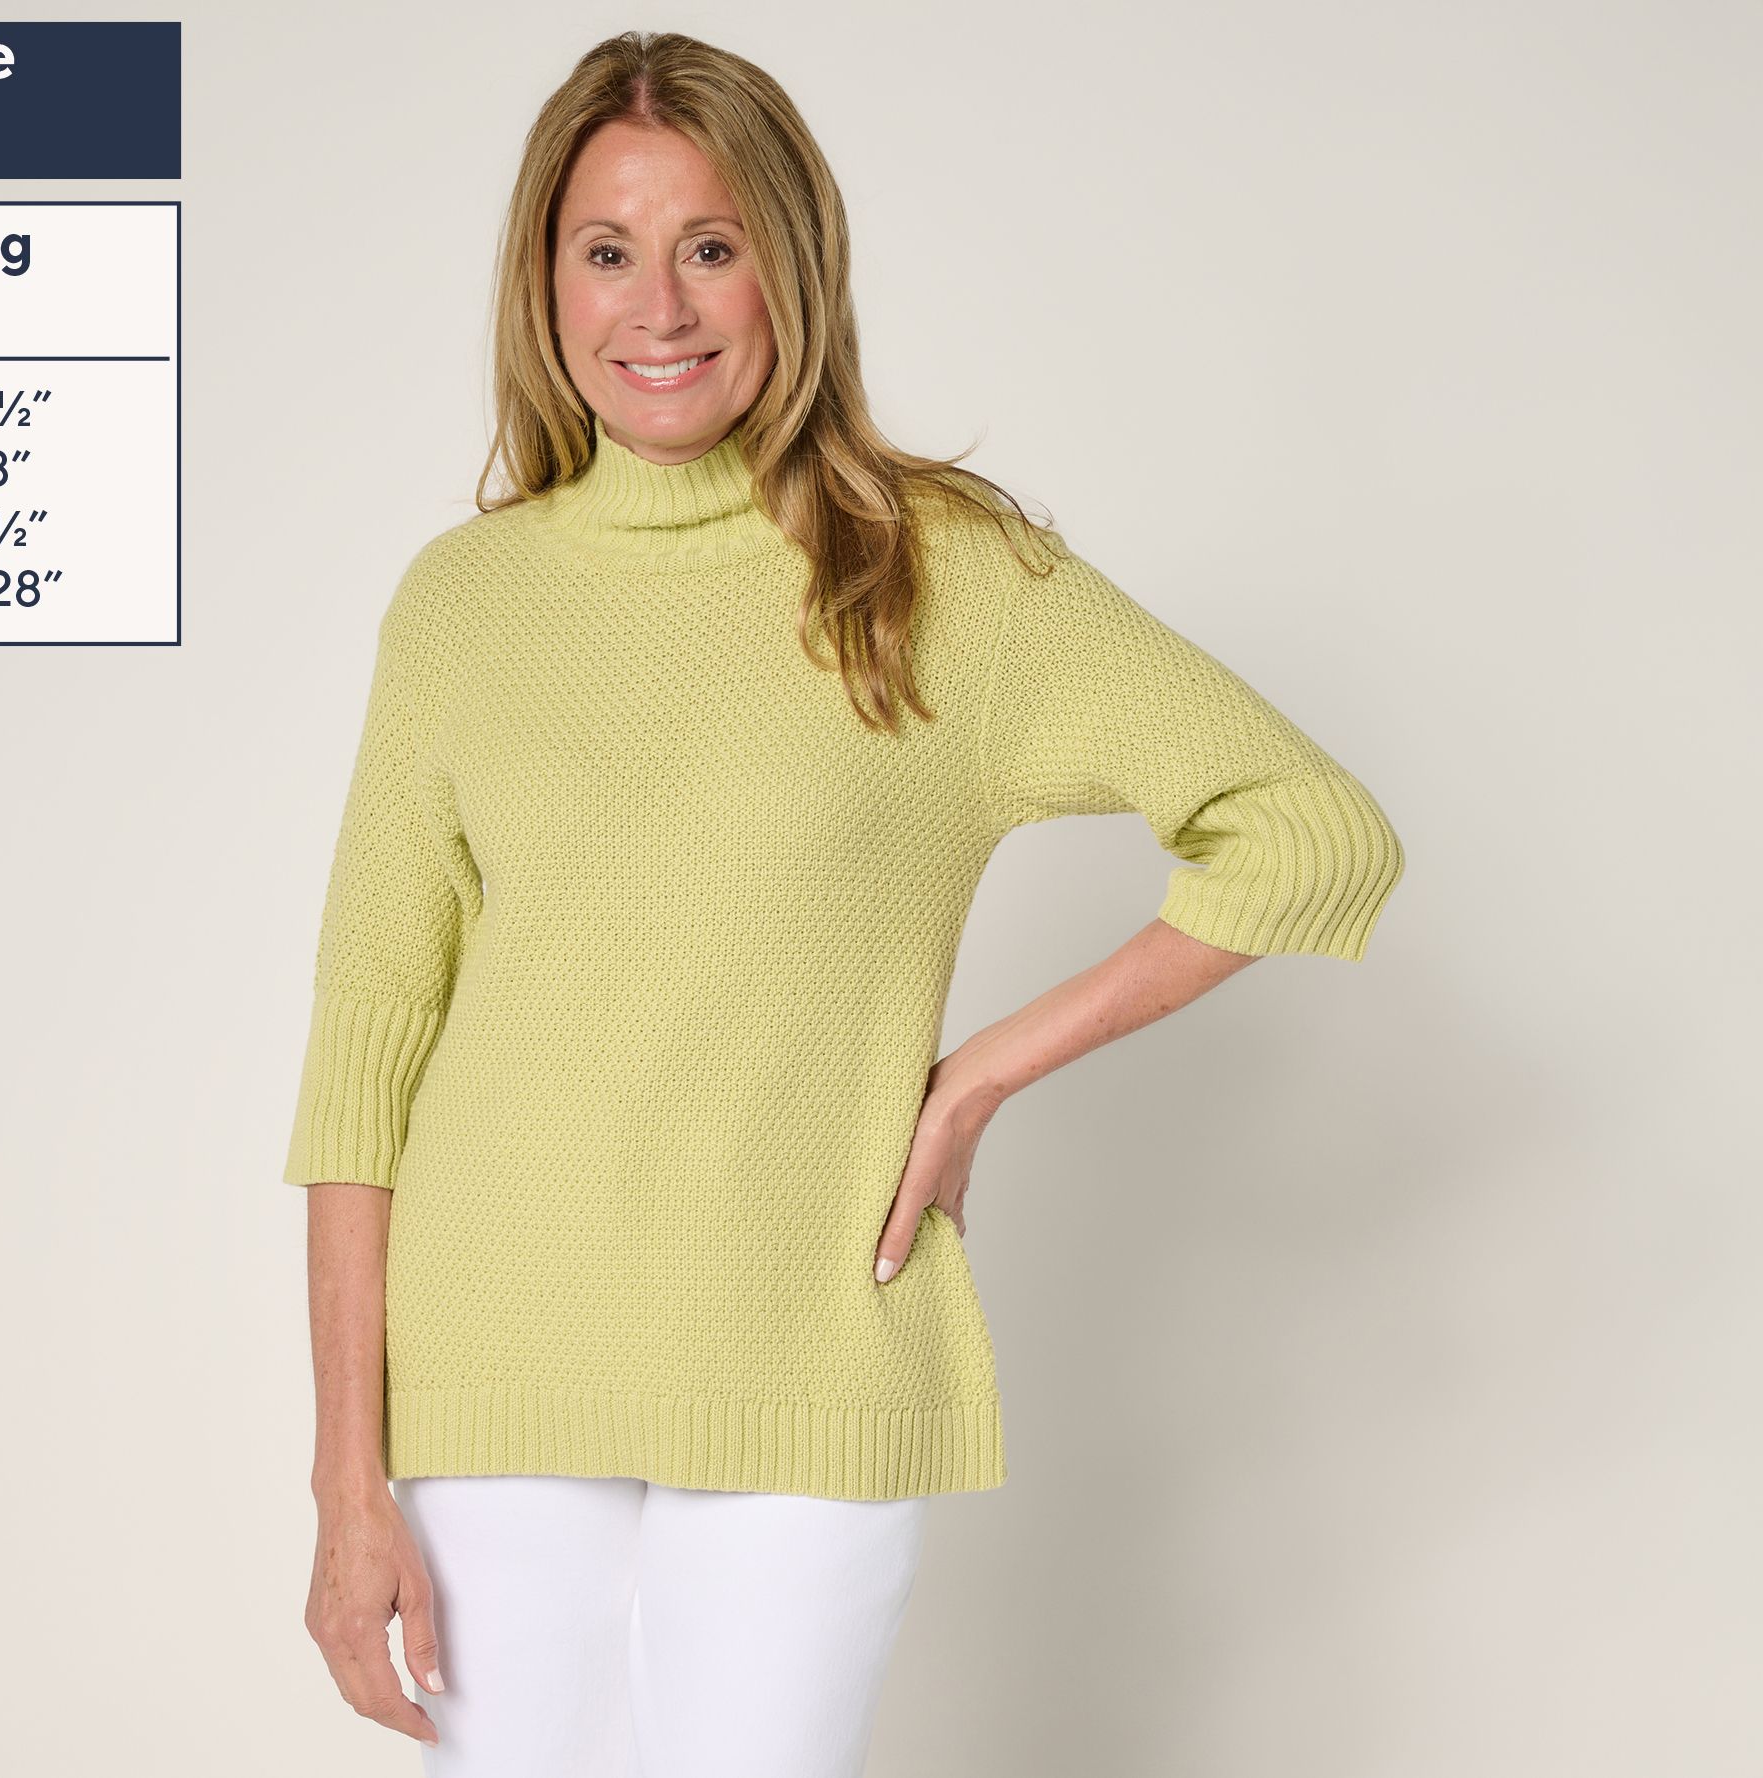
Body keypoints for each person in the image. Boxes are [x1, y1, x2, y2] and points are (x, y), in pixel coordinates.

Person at [287, 30, 1406, 1778]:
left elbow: (1311, 830)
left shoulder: (935, 572)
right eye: (607, 250)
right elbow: (368, 1052)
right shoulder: (465, 602)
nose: (659, 305)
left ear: (791, 269)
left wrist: (981, 1075)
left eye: (711, 246)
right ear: (545, 283)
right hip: (492, 1360)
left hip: (810, 1335)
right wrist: (344, 1481)